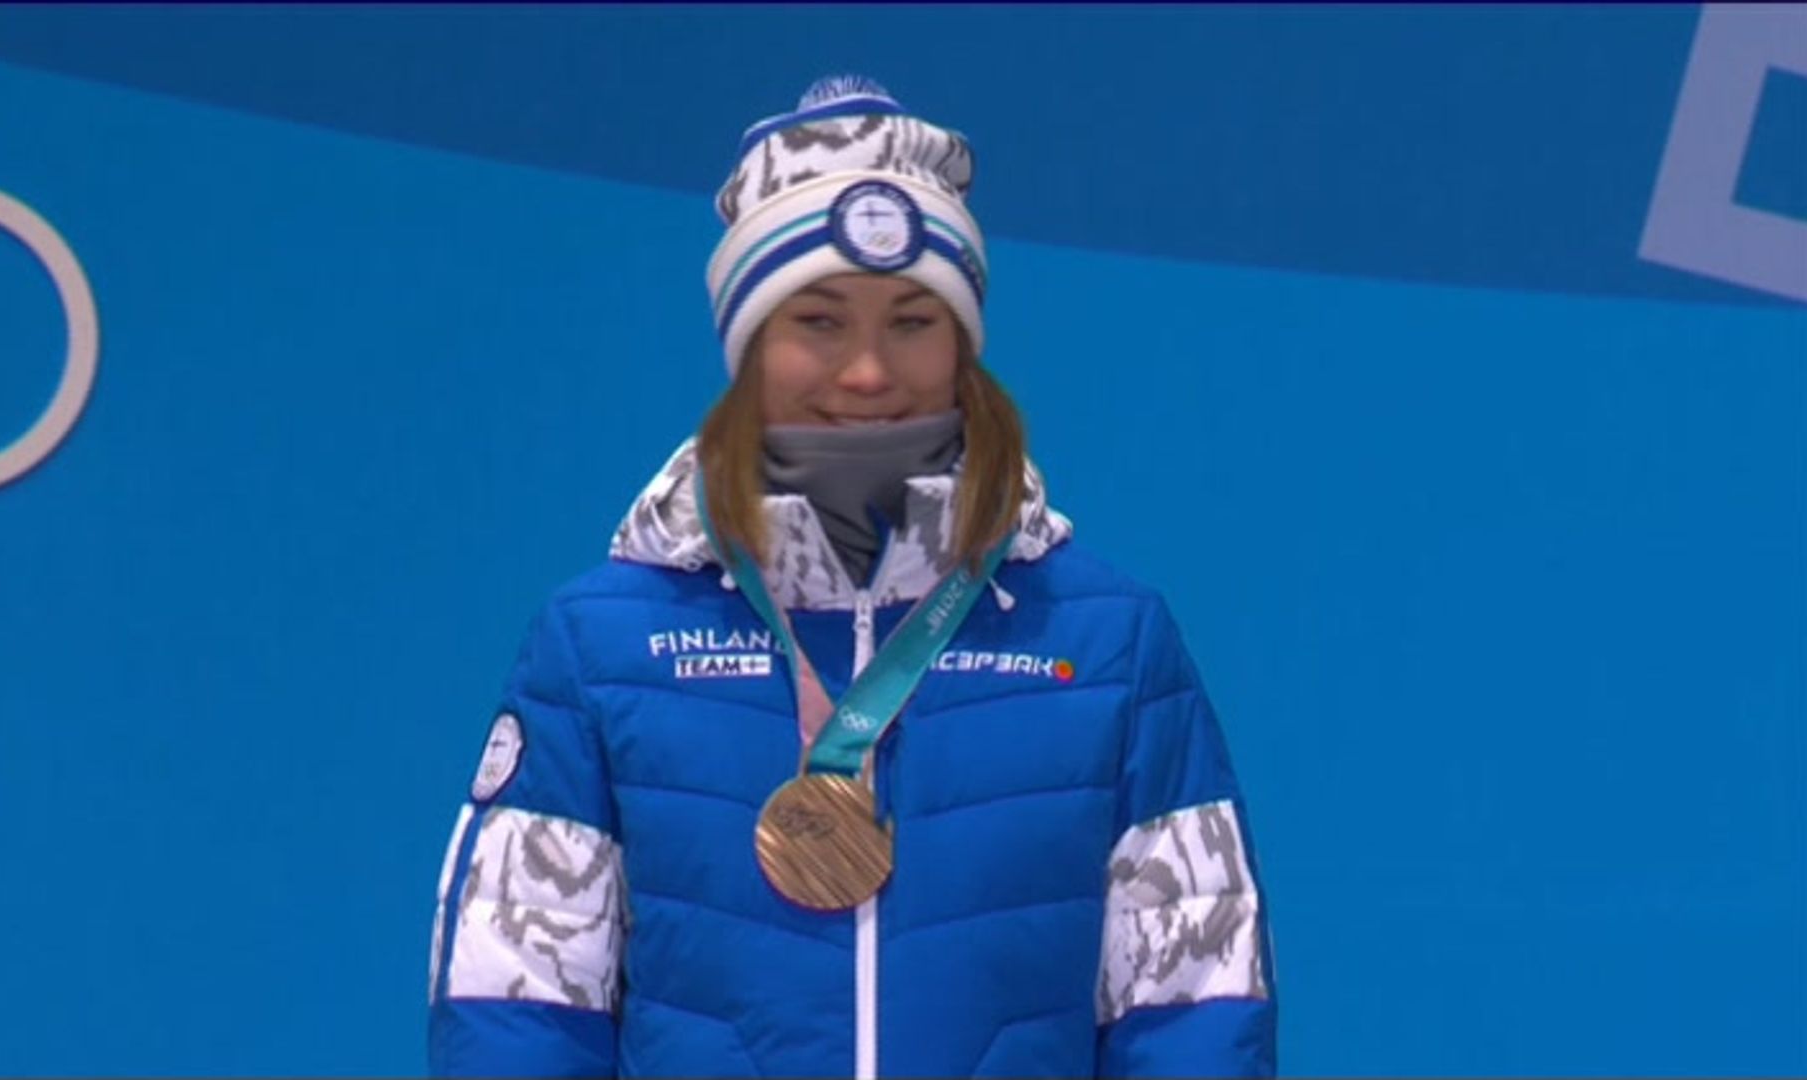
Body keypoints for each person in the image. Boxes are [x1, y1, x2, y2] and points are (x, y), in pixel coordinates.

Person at [425, 75, 1278, 1078]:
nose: (869, 371)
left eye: (913, 322)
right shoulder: (603, 645)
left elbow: (1194, 1001)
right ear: (750, 343)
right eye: (819, 322)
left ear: (963, 346)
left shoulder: (1105, 643)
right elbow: (517, 999)